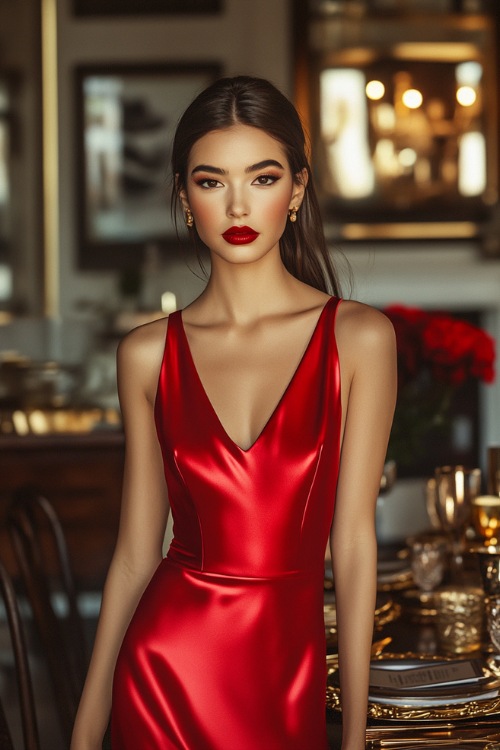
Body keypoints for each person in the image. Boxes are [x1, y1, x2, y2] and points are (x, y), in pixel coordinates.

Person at [71, 75, 397, 750]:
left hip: (288, 678)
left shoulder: (360, 338)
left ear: (298, 191)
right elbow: (136, 556)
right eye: (212, 181)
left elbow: (355, 545)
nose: (238, 204)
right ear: (186, 198)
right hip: (164, 670)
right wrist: (83, 731)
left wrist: (357, 733)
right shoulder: (146, 354)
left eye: (263, 177)